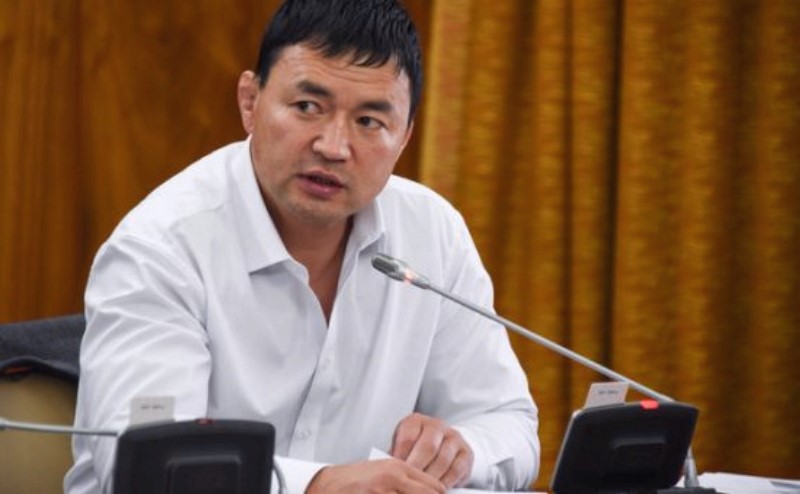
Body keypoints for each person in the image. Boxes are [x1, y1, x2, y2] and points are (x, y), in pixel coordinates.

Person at [65, 0, 540, 492]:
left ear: (404, 137)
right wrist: (317, 485)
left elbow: (509, 424)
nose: (333, 147)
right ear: (250, 102)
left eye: (369, 122)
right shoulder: (160, 249)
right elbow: (154, 468)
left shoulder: (431, 233)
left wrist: (461, 450)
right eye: (308, 107)